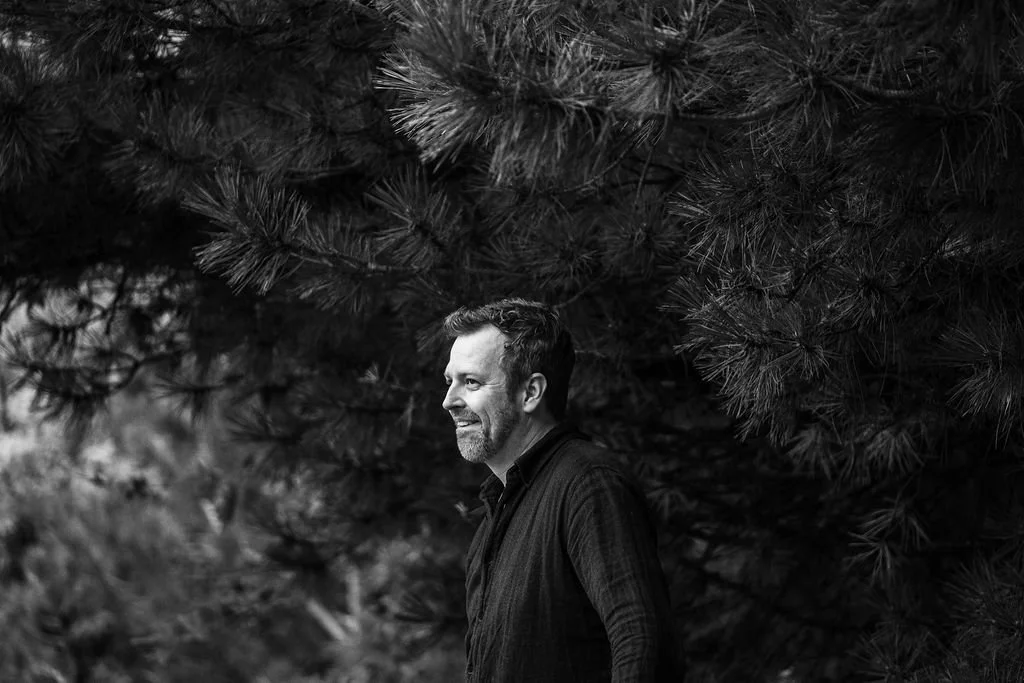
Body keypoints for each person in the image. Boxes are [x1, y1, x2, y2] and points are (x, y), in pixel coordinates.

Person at [441, 298, 680, 683]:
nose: (449, 400)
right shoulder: (493, 520)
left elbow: (642, 642)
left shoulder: (588, 485)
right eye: (449, 381)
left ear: (531, 392)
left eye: (471, 382)